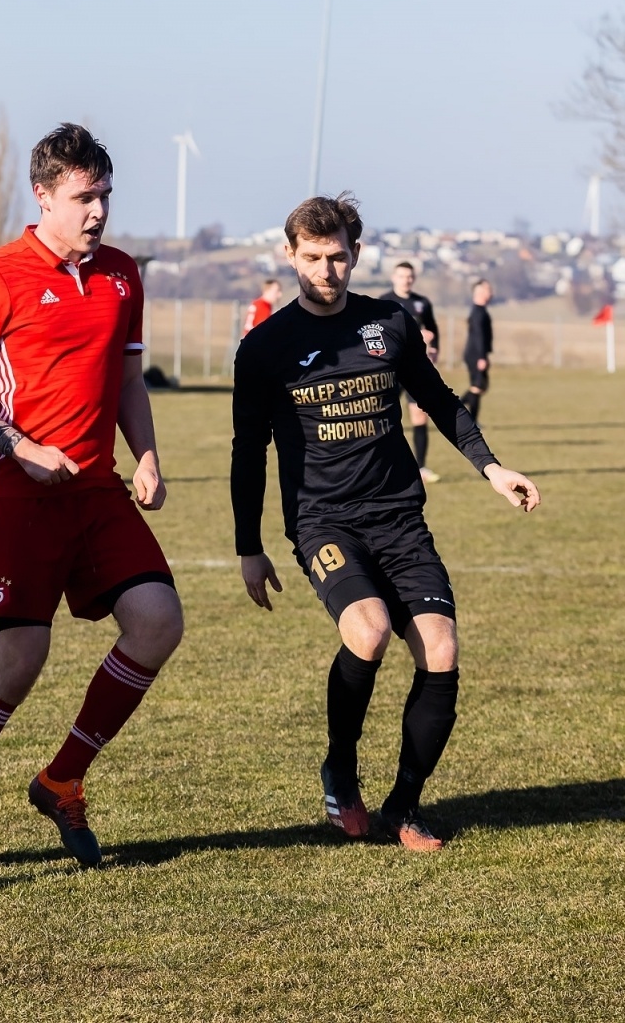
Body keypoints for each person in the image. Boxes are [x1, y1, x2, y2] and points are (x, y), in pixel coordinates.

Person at [0, 123, 183, 872]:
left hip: (96, 490)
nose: (99, 211)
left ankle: (62, 779)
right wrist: (22, 449)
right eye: (84, 197)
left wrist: (147, 456)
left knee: (158, 623)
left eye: (106, 196)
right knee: (20, 659)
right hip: (14, 491)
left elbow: (128, 380)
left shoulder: (122, 274)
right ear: (43, 196)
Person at [230, 194, 540, 852]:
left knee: (441, 649)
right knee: (368, 632)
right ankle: (340, 766)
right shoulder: (264, 347)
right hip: (323, 523)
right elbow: (247, 451)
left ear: (356, 254)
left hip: (399, 518)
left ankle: (404, 806)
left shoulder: (389, 323)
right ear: (290, 255)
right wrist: (248, 546)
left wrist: (491, 468)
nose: (326, 270)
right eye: (312, 257)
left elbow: (439, 401)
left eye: (338, 257)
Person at [380, 262, 442, 483]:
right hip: (391, 368)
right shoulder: (384, 302)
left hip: (415, 368)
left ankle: (421, 467)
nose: (406, 280)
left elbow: (433, 330)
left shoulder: (422, 303)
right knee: (383, 416)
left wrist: (433, 350)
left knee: (419, 416)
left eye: (409, 276)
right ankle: (382, 466)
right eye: (401, 276)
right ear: (393, 277)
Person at [461, 279, 492, 422]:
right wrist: (481, 356)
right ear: (479, 292)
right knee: (477, 386)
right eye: (487, 289)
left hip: (478, 354)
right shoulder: (478, 312)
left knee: (480, 386)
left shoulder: (481, 311)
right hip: (475, 354)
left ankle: (471, 419)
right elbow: (478, 336)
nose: (490, 292)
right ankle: (455, 409)